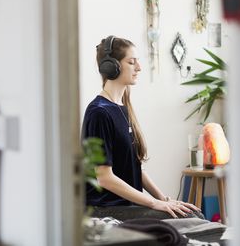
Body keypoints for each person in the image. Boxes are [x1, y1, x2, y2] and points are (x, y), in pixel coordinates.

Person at [82, 35, 201, 221]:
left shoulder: (122, 108)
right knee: (187, 219)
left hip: (127, 205)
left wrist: (164, 200)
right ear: (110, 67)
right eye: (131, 62)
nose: (139, 68)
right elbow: (104, 177)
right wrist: (154, 204)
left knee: (192, 214)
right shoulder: (99, 113)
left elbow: (136, 168)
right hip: (105, 209)